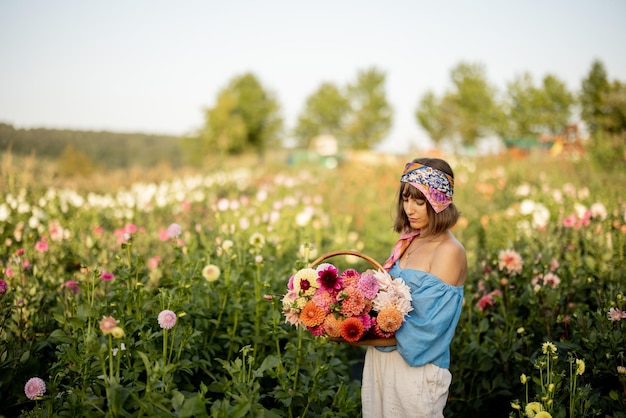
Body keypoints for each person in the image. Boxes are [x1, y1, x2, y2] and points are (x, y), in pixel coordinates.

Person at [359, 157, 467, 418]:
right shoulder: (407, 241)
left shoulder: (449, 251)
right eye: (406, 199)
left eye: (420, 201)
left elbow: (425, 330)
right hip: (380, 362)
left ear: (440, 203)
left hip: (416, 371)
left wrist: (355, 335)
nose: (410, 208)